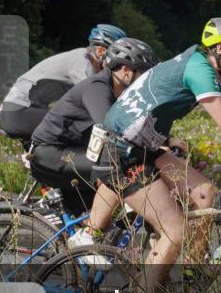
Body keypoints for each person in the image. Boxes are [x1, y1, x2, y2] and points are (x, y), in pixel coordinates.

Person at [89, 17, 221, 293]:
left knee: (204, 193)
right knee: (175, 233)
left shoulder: (204, 67)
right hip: (120, 152)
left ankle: (192, 276)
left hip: (143, 148)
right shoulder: (198, 69)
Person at [28, 38, 158, 220]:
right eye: (143, 73)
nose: (146, 79)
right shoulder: (97, 87)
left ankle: (93, 230)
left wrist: (166, 140)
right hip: (50, 152)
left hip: (75, 150)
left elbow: (139, 122)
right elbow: (112, 127)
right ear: (126, 71)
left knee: (92, 214)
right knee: (114, 169)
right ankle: (91, 232)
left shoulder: (122, 92)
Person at [0, 24, 126, 145]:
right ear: (100, 51)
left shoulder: (82, 59)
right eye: (115, 59)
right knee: (81, 127)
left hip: (21, 110)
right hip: (19, 111)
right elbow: (97, 98)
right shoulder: (82, 63)